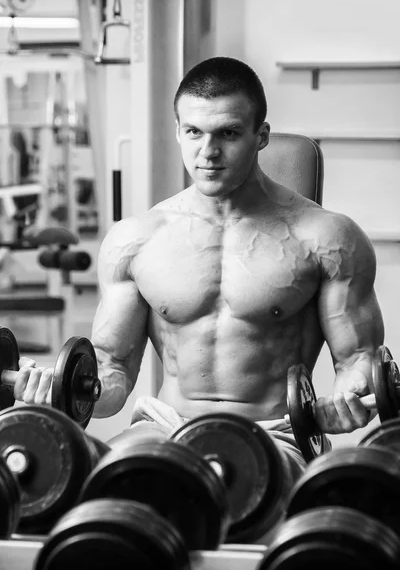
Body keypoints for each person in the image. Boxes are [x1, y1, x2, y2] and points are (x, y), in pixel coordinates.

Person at [14, 56, 384, 449]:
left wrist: (352, 395)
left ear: (261, 136)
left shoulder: (328, 238)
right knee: (99, 484)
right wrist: (63, 388)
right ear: (177, 131)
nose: (208, 151)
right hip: (164, 427)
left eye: (228, 133)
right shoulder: (135, 240)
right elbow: (113, 371)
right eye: (193, 132)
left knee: (242, 493)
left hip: (274, 434)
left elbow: (357, 358)